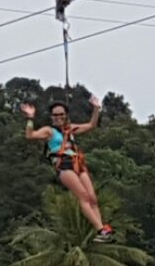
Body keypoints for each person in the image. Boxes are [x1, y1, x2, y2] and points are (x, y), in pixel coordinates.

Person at [20, 96, 114, 243]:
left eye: (61, 114)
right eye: (55, 115)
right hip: (63, 164)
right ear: (51, 116)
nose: (58, 117)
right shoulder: (49, 131)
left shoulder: (70, 129)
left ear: (65, 115)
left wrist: (96, 108)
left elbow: (91, 125)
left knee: (92, 198)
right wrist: (30, 118)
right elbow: (30, 135)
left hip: (77, 163)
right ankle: (100, 228)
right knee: (83, 196)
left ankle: (103, 231)